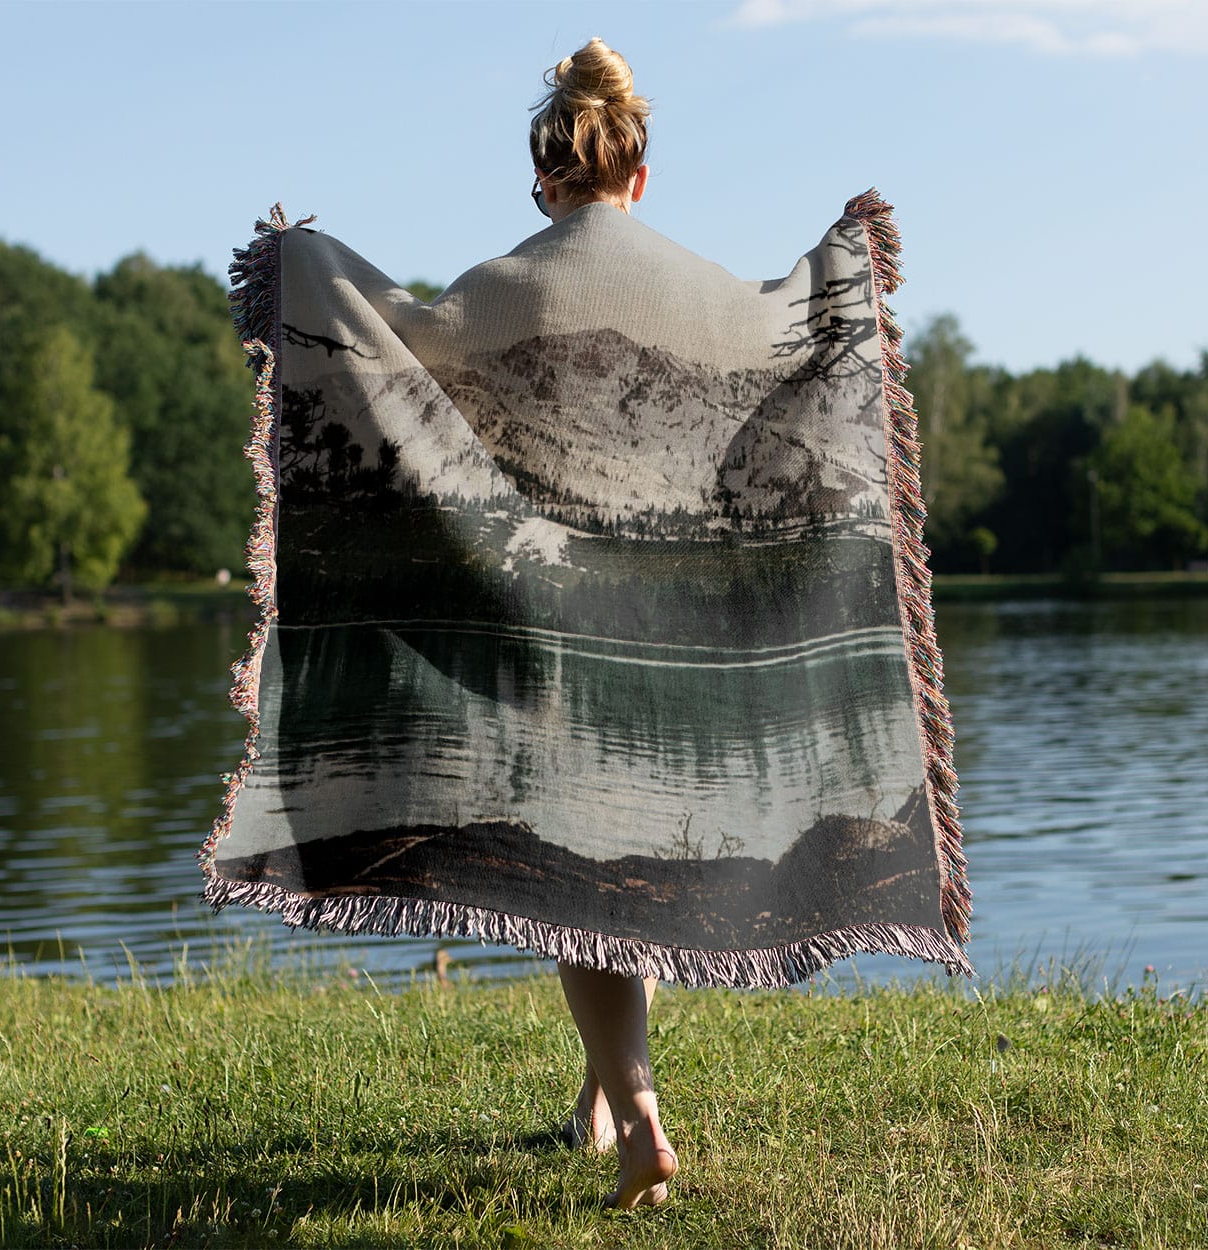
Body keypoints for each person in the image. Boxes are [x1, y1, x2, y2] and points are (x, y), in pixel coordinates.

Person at [526, 36, 679, 1212]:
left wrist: (305, 273)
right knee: (621, 876)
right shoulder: (691, 283)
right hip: (674, 632)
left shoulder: (505, 285)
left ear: (546, 178)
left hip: (557, 630)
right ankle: (593, 1100)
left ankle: (638, 1117)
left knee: (576, 888)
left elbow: (391, 376)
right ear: (636, 174)